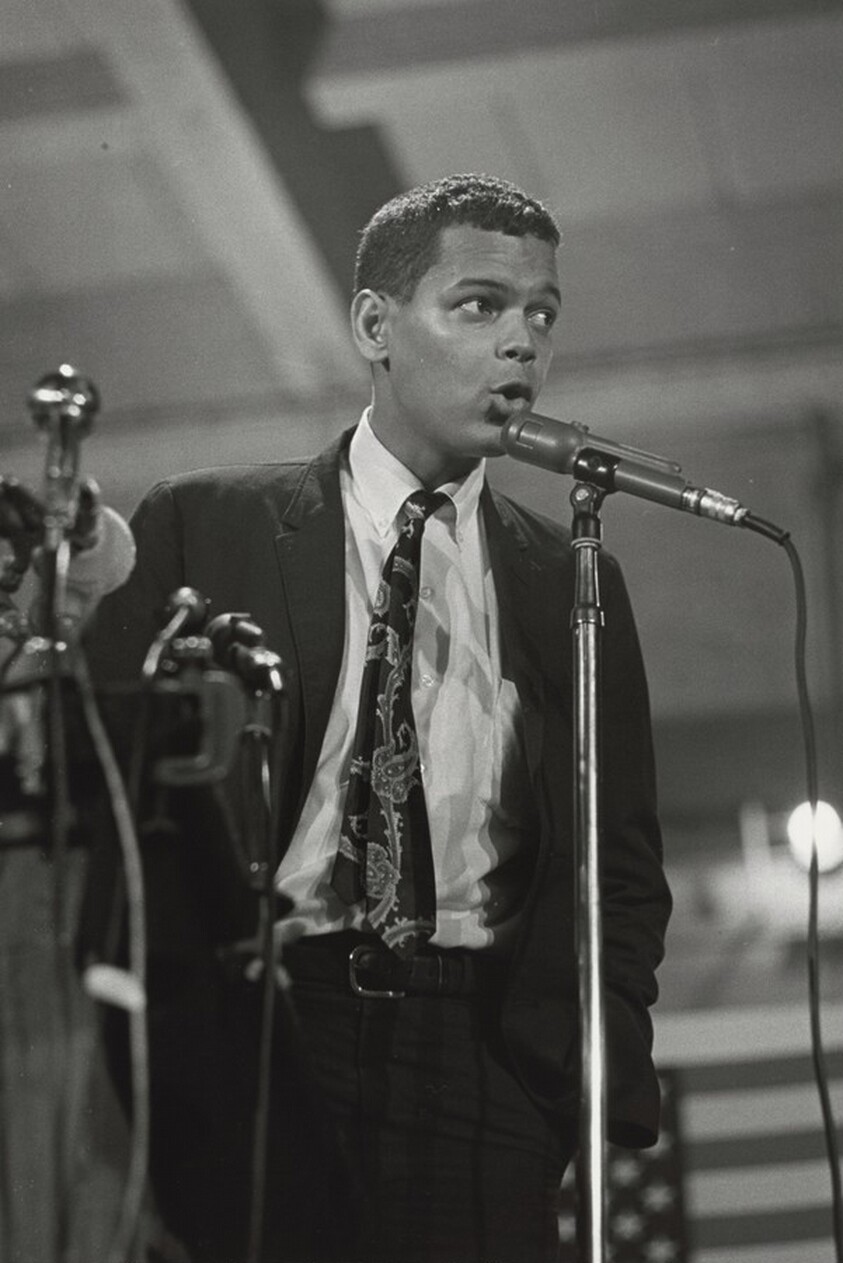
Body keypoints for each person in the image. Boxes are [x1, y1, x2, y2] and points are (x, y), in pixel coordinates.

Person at [83, 173, 672, 1263]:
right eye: (480, 306)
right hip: (260, 1039)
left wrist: (568, 1075)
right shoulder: (204, 527)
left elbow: (621, 868)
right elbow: (108, 819)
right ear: (374, 325)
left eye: (542, 316)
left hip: (481, 1065)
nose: (522, 346)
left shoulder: (568, 581)